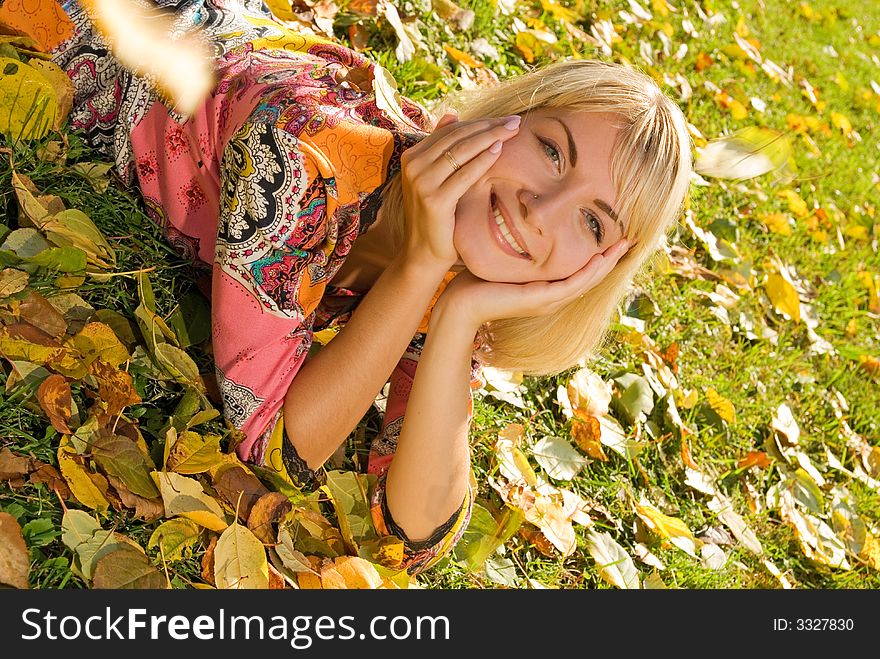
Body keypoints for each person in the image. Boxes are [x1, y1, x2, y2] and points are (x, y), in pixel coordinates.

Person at [45, 0, 692, 576]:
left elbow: (415, 532)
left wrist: (461, 316)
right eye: (553, 151)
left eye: (591, 219)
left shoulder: (463, 258)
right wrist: (418, 266)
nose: (540, 208)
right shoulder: (301, 156)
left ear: (598, 266)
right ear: (509, 121)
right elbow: (274, 443)